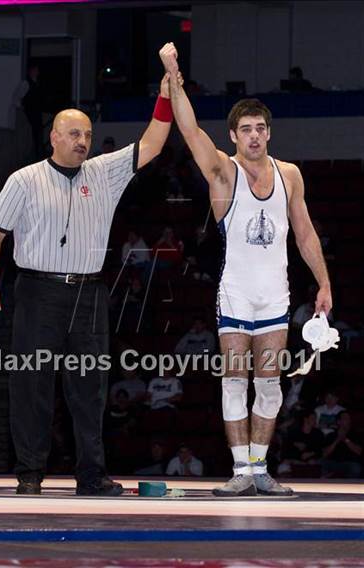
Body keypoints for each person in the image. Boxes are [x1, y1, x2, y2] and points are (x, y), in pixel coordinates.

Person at [0, 56, 178, 496]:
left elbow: (153, 144)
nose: (83, 140)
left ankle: (91, 476)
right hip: (36, 292)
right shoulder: (24, 180)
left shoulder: (104, 173)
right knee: (31, 384)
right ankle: (30, 474)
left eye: (87, 134)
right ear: (53, 136)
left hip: (88, 294)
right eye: (74, 133)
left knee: (90, 389)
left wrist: (163, 98)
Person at [160, 43, 332, 496]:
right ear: (233, 136)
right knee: (236, 380)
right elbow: (190, 129)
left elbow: (306, 233)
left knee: (270, 384)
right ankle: (240, 471)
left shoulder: (290, 174)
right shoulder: (223, 173)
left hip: (275, 295)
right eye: (246, 130)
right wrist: (174, 74)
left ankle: (259, 469)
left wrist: (324, 283)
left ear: (269, 134)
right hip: (235, 293)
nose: (254, 136)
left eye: (260, 128)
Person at [322, 411, 362, 479]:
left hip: (349, 463)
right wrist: (337, 440)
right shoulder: (331, 435)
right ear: (339, 422)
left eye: (349, 418)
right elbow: (325, 454)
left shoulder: (355, 434)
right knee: (320, 464)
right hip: (332, 462)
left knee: (356, 468)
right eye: (345, 418)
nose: (348, 420)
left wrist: (345, 439)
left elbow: (359, 451)